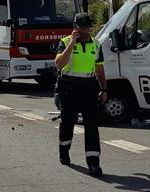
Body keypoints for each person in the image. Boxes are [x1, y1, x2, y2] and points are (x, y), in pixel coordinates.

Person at [55, 12, 107, 177]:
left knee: (91, 126)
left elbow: (99, 69)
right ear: (75, 27)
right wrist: (72, 43)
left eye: (87, 26)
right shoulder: (65, 42)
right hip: (69, 88)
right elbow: (59, 64)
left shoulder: (96, 45)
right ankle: (64, 150)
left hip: (89, 88)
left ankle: (93, 163)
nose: (85, 30)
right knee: (67, 123)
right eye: (81, 27)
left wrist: (104, 89)